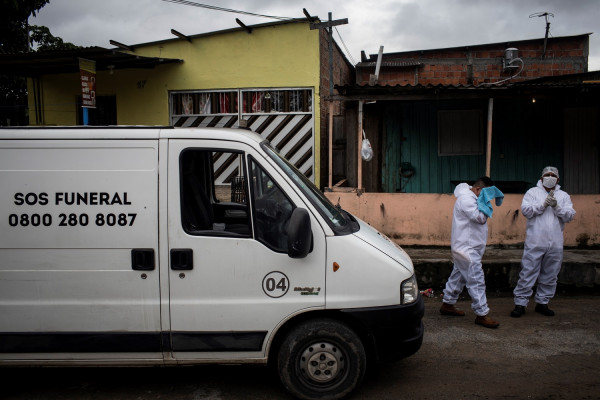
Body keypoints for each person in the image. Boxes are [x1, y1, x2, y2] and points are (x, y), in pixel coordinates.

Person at [511, 166, 575, 318]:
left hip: (555, 242)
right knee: (528, 272)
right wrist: (543, 205)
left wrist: (556, 206)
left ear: (558, 179)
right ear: (541, 178)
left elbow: (569, 216)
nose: (550, 177)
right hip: (535, 240)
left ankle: (542, 303)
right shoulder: (532, 192)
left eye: (553, 175)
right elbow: (526, 211)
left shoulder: (563, 195)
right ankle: (520, 303)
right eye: (547, 174)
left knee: (551, 273)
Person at [440, 177, 500, 329]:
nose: (488, 199)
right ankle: (482, 314)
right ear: (478, 190)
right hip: (466, 248)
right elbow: (480, 218)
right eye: (486, 196)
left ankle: (447, 304)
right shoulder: (466, 199)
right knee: (476, 280)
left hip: (468, 246)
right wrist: (485, 202)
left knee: (458, 276)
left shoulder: (472, 198)